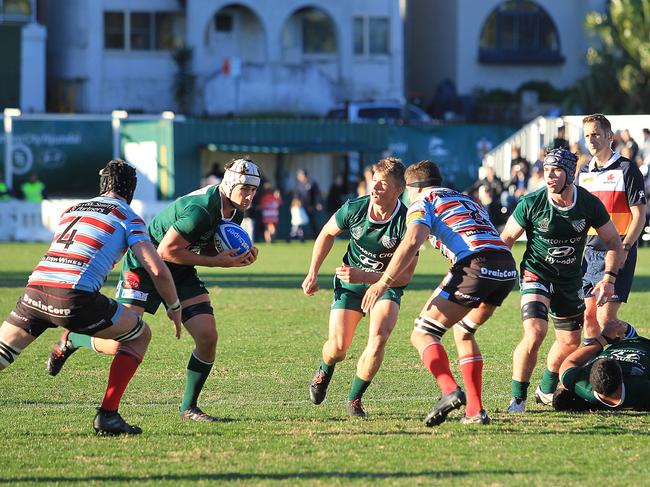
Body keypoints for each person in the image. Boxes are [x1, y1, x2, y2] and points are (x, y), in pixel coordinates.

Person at [46, 157, 260, 422]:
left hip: (180, 269)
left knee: (208, 336)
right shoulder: (201, 209)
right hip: (145, 265)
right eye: (245, 189)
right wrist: (217, 262)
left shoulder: (236, 210)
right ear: (228, 185)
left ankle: (188, 408)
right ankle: (73, 339)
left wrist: (238, 255)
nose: (249, 195)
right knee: (120, 341)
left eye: (253, 189)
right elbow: (165, 251)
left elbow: (203, 246)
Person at [0, 159, 182, 435]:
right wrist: (174, 306)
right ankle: (108, 415)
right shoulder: (128, 216)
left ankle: (72, 340)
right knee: (139, 334)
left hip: (35, 288)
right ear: (131, 189)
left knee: (2, 355)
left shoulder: (71, 209)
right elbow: (156, 269)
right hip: (73, 296)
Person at [362, 160, 518, 426]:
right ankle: (475, 411)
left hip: (476, 264)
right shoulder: (464, 199)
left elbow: (413, 240)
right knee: (463, 331)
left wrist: (382, 282)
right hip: (505, 266)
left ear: (412, 187)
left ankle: (449, 390)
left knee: (423, 333)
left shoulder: (422, 202)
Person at [500, 148, 623, 413]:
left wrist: (609, 279)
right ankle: (517, 399)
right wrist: (495, 274)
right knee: (535, 332)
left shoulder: (588, 204)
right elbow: (506, 240)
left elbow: (614, 241)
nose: (550, 176)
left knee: (569, 342)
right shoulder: (531, 202)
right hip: (537, 274)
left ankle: (545, 389)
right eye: (546, 170)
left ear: (571, 173)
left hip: (569, 281)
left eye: (556, 170)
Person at [303, 157, 416, 417]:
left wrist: (367, 277)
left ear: (398, 190)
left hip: (386, 286)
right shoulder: (355, 208)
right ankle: (324, 370)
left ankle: (354, 399)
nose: (375, 189)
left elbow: (405, 277)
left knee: (378, 339)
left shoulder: (408, 222)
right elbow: (326, 233)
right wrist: (312, 273)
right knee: (338, 348)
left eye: (383, 185)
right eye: (373, 182)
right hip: (350, 283)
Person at [579, 114, 646, 343]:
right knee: (588, 317)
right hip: (589, 254)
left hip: (617, 251)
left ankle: (634, 342)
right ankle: (593, 373)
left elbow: (639, 215)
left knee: (605, 319)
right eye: (587, 135)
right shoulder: (584, 172)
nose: (591, 140)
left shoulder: (627, 168)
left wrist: (625, 247)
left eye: (596, 134)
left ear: (609, 136)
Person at [554, 319, 649, 411]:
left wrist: (603, 339)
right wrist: (602, 339)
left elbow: (568, 364)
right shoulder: (640, 389)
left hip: (620, 341)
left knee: (611, 321)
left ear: (590, 378)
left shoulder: (584, 387)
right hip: (642, 344)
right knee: (613, 322)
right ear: (621, 376)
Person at [295, 168, 323, 239]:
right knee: (299, 222)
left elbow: (317, 194)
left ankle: (317, 237)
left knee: (312, 222)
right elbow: (297, 195)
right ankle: (300, 238)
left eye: (300, 175)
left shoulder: (312, 183)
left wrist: (318, 203)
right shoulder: (299, 185)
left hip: (311, 206)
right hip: (302, 207)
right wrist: (296, 202)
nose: (299, 177)